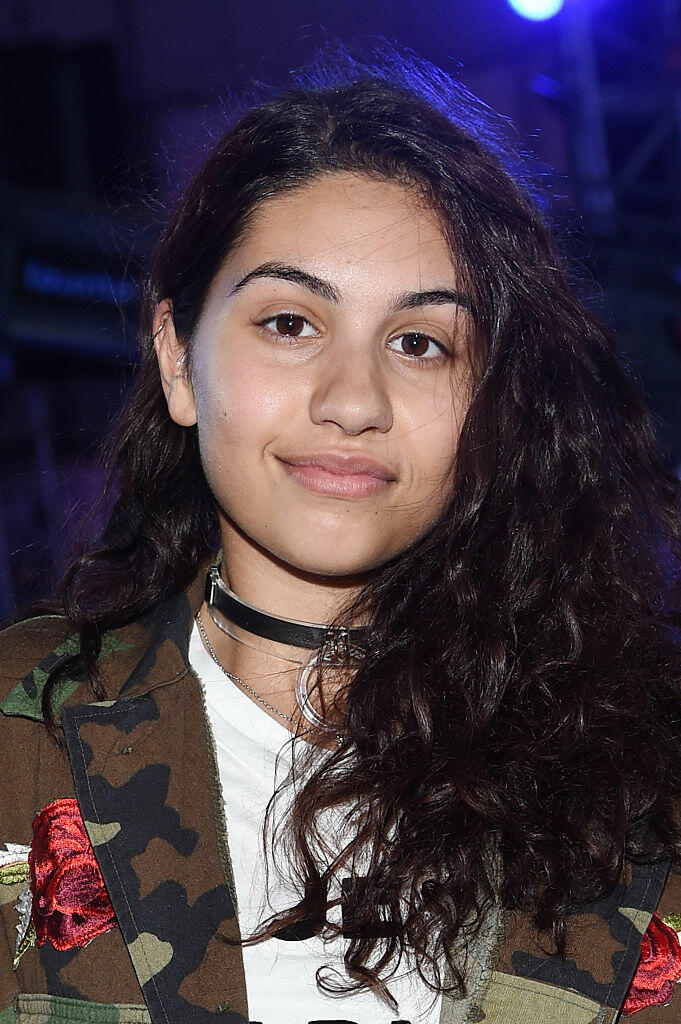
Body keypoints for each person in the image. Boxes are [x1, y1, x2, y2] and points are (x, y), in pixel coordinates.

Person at [1, 46, 681, 1024]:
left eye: (420, 343)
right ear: (178, 359)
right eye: (289, 321)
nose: (354, 399)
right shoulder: (20, 738)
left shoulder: (643, 782)